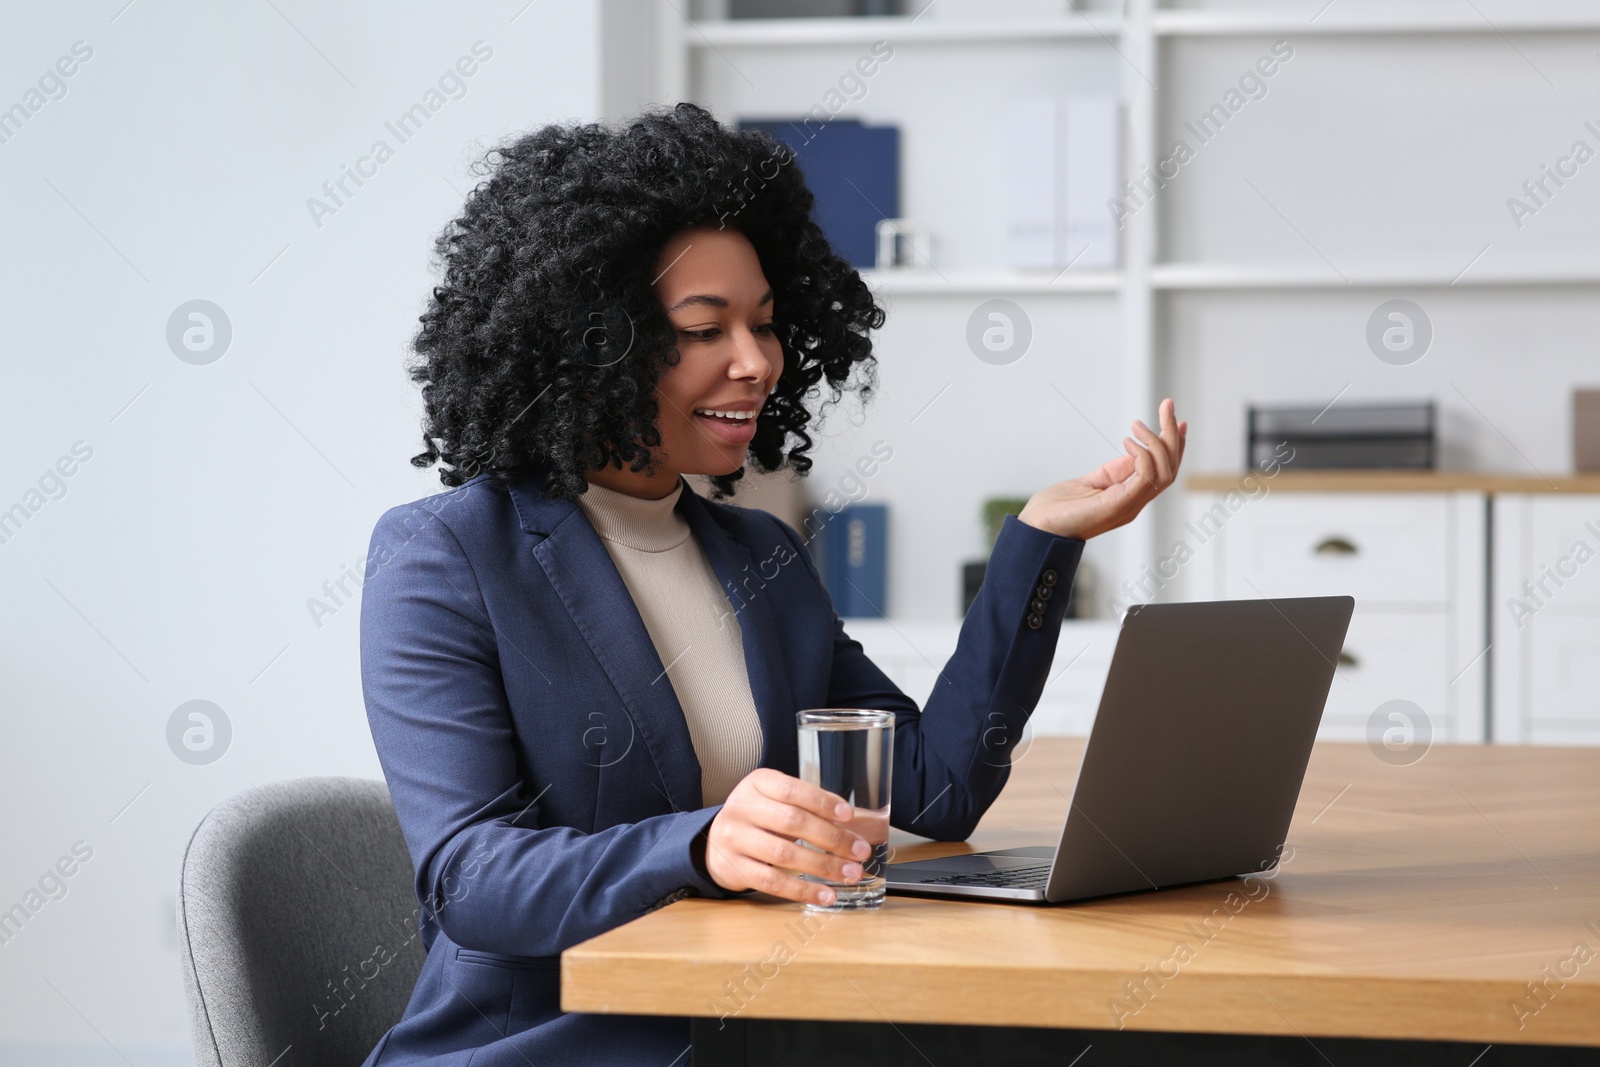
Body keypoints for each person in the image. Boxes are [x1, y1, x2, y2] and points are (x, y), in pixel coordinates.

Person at [357, 101, 1185, 1066]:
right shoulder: (446, 556)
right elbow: (471, 881)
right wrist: (700, 845)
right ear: (594, 343)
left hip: (763, 1015)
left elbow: (939, 785)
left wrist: (1039, 541)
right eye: (706, 328)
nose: (754, 363)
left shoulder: (761, 554)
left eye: (765, 324)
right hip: (555, 1044)